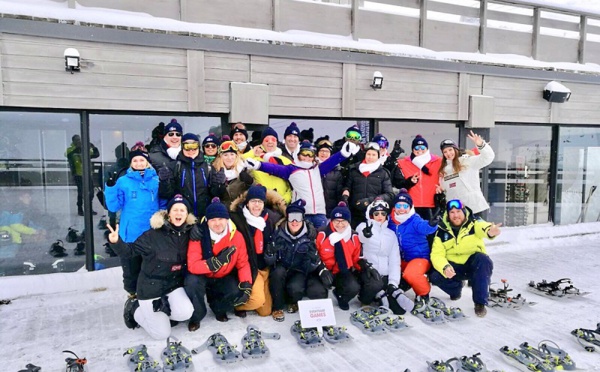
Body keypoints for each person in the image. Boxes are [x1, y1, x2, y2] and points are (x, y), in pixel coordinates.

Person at [106, 194, 195, 340]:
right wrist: (116, 242)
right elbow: (130, 252)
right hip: (150, 288)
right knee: (161, 334)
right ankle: (135, 309)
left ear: (187, 215)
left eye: (182, 210)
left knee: (185, 313)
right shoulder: (153, 235)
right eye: (175, 210)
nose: (178, 213)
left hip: (173, 286)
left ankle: (160, 313)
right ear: (168, 213)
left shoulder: (189, 233)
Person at [245, 140, 359, 229]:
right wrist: (258, 165)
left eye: (310, 155)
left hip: (319, 213)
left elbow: (332, 161)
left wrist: (344, 153)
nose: (307, 157)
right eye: (304, 154)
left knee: (321, 241)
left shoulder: (317, 169)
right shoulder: (291, 169)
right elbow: (274, 168)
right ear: (298, 155)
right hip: (302, 213)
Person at [185, 198, 252, 329]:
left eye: (220, 219)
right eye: (213, 220)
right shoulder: (199, 234)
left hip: (223, 275)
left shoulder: (236, 236)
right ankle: (197, 315)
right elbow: (192, 265)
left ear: (227, 219)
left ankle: (219, 308)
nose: (217, 223)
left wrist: (246, 285)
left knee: (234, 290)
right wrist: (214, 263)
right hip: (203, 275)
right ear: (207, 221)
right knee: (191, 282)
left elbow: (243, 263)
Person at [429, 199, 502, 317]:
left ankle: (480, 303)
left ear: (464, 211)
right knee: (434, 275)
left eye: (458, 211)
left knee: (483, 260)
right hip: (453, 267)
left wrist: (490, 231)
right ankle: (456, 290)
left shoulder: (474, 223)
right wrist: (445, 267)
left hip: (472, 264)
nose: (455, 215)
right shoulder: (441, 230)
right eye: (452, 212)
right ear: (448, 214)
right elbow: (436, 255)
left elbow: (483, 227)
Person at [104, 142, 159, 297]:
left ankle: (150, 298)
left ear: (147, 162)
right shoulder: (123, 181)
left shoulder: (156, 180)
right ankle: (132, 297)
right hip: (131, 233)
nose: (139, 163)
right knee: (131, 270)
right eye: (135, 161)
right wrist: (111, 187)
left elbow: (162, 203)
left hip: (151, 233)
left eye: (142, 160)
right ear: (131, 163)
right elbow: (114, 207)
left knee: (150, 269)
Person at [265, 199, 330, 322]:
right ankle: (277, 307)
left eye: (298, 217)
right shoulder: (278, 233)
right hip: (282, 267)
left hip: (298, 269)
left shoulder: (309, 236)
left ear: (303, 219)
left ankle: (292, 301)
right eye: (291, 218)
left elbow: (309, 267)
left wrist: (313, 261)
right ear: (287, 219)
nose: (294, 221)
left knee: (296, 288)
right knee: (277, 274)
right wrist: (270, 252)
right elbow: (269, 261)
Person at [229, 185, 286, 318]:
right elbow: (217, 221)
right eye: (253, 201)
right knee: (257, 301)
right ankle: (234, 305)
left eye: (260, 202)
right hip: (250, 268)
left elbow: (293, 222)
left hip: (265, 266)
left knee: (265, 312)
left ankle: (254, 297)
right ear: (247, 203)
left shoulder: (270, 219)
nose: (256, 205)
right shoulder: (237, 218)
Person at [356, 199, 413, 315]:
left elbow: (394, 260)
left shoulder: (390, 234)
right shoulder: (363, 226)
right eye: (376, 214)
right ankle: (366, 299)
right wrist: (365, 235)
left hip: (385, 274)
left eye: (383, 214)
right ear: (371, 215)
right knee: (375, 285)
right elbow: (361, 237)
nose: (379, 216)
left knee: (399, 310)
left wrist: (393, 283)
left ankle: (385, 293)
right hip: (368, 272)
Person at [387, 189, 439, 304]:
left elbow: (424, 227)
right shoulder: (390, 220)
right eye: (398, 205)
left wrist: (431, 224)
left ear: (410, 207)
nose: (401, 209)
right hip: (400, 259)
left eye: (405, 206)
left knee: (411, 274)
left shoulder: (414, 219)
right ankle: (403, 285)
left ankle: (423, 293)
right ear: (394, 207)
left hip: (418, 258)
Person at [316, 202, 364, 310]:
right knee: (317, 291)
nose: (340, 224)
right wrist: (321, 269)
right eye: (336, 221)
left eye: (343, 221)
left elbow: (356, 258)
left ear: (348, 222)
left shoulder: (353, 236)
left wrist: (364, 267)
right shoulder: (322, 234)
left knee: (353, 287)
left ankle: (340, 295)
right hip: (324, 270)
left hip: (342, 271)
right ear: (331, 221)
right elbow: (314, 254)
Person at [439, 131, 495, 218]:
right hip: (456, 212)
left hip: (474, 208)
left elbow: (488, 158)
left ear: (455, 149)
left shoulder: (468, 161)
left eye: (450, 150)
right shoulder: (445, 170)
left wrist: (481, 145)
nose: (448, 153)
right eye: (445, 152)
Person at [163, 133, 215, 220]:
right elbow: (167, 193)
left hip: (204, 216)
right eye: (187, 146)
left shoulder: (208, 167)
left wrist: (218, 184)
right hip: (183, 217)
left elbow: (215, 193)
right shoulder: (175, 166)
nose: (191, 150)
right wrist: (165, 182)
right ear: (182, 147)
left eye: (194, 146)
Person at [342, 141, 395, 228]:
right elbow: (347, 187)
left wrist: (369, 201)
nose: (370, 157)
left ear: (378, 156)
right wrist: (345, 193)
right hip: (355, 214)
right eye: (368, 154)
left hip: (375, 214)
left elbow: (389, 195)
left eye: (373, 155)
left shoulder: (383, 172)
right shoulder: (354, 170)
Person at [397, 135, 443, 220]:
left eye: (422, 147)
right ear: (412, 150)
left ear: (427, 148)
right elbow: (389, 168)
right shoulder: (403, 162)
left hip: (432, 205)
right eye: (416, 148)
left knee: (430, 231)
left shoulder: (438, 161)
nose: (420, 150)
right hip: (412, 204)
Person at [243, 127, 293, 203]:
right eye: (266, 140)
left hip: (281, 204)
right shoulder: (254, 160)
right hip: (260, 203)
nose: (270, 142)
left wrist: (284, 200)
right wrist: (252, 152)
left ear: (277, 142)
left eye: (273, 140)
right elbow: (237, 162)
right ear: (262, 142)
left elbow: (292, 186)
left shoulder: (286, 161)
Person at [148, 119, 182, 209]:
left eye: (178, 134)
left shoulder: (188, 154)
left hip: (184, 207)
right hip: (162, 206)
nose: (174, 137)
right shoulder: (153, 156)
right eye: (171, 134)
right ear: (165, 136)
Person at [210, 140, 255, 208]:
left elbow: (255, 191)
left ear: (236, 156)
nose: (229, 158)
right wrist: (218, 187)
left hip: (240, 209)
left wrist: (250, 183)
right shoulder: (215, 171)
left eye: (232, 154)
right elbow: (211, 193)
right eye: (225, 155)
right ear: (220, 157)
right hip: (223, 210)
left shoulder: (245, 169)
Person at [65, 134, 100, 216]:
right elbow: (68, 155)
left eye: (79, 139)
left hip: (88, 174)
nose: (78, 141)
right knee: (81, 192)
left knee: (90, 192)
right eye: (76, 140)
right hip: (78, 174)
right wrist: (77, 149)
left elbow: (96, 154)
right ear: (73, 141)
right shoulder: (70, 149)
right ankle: (80, 209)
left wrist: (92, 146)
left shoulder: (85, 149)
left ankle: (89, 208)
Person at [315, 136, 345, 217]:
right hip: (315, 210)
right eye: (321, 150)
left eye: (326, 151)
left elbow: (339, 193)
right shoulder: (312, 168)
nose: (324, 153)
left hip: (331, 211)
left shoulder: (337, 171)